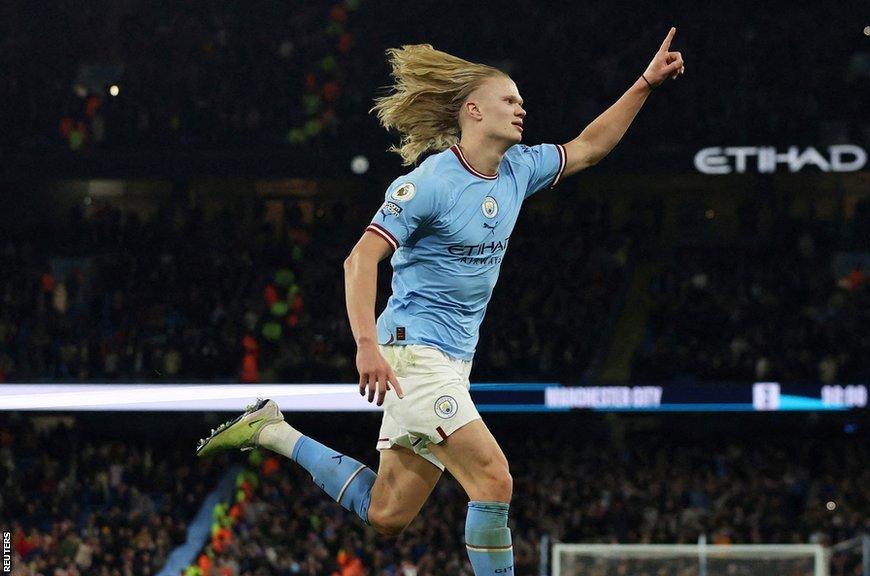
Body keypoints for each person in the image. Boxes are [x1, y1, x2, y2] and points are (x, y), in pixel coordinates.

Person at [197, 28, 684, 574]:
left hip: (452, 363)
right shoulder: (429, 183)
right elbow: (359, 261)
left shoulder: (518, 170)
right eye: (509, 99)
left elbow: (590, 147)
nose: (522, 107)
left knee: (387, 513)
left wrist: (645, 83)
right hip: (413, 356)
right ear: (473, 111)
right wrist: (366, 347)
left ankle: (272, 431)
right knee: (493, 478)